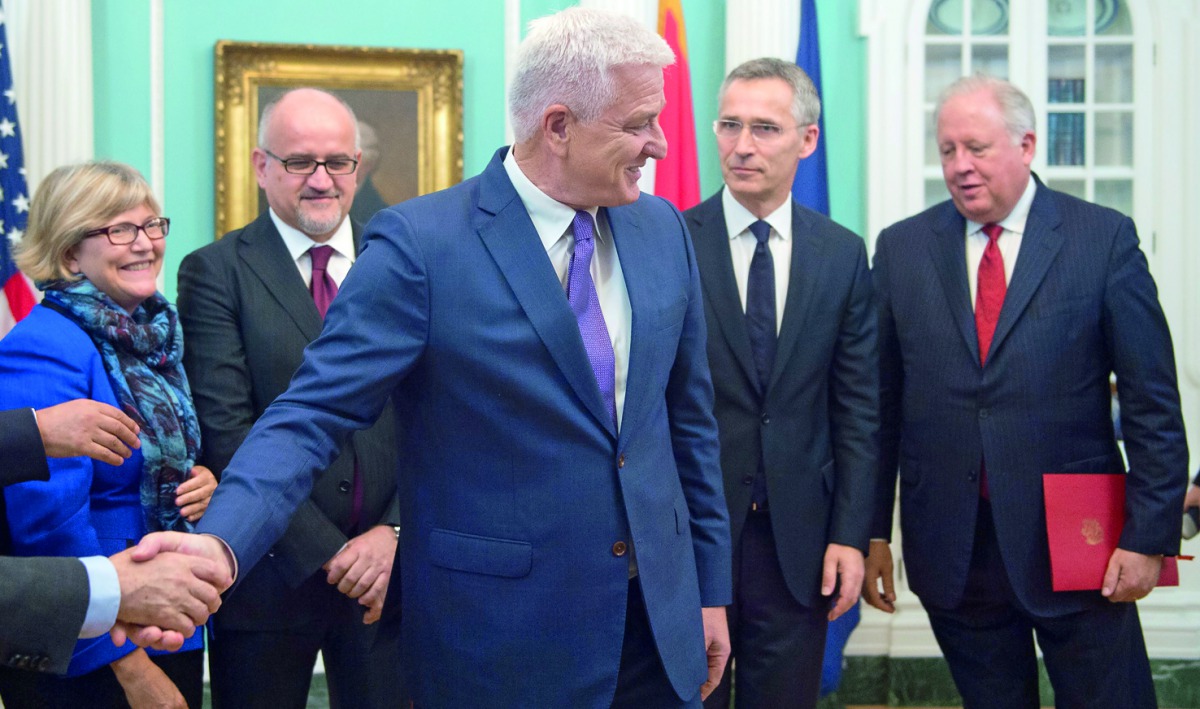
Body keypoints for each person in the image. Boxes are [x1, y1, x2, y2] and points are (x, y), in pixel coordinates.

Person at [138, 7, 732, 707]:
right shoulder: (423, 246)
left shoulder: (660, 228)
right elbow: (309, 415)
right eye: (638, 123)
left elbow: (687, 423)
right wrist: (222, 544)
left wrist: (708, 588)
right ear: (559, 125)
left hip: (657, 629)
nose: (661, 143)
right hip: (500, 641)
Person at [864, 75, 1187, 709]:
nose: (960, 166)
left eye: (977, 148)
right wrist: (874, 530)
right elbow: (880, 408)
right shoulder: (902, 249)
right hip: (956, 547)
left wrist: (1149, 536)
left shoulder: (1102, 239)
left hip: (1081, 542)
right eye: (948, 149)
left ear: (1027, 145)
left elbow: (1153, 403)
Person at [176, 87, 402, 708]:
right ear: (261, 166)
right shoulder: (215, 271)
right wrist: (332, 556)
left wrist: (393, 532)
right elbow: (227, 429)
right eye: (301, 162)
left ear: (358, 166)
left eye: (338, 162)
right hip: (268, 578)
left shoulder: (405, 263)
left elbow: (438, 415)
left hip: (389, 580)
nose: (322, 180)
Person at [684, 57, 877, 709]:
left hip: (799, 539)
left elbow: (858, 410)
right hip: (693, 532)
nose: (741, 146)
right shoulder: (671, 242)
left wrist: (852, 533)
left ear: (807, 139)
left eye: (764, 127)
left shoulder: (843, 254)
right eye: (729, 125)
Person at [0, 162, 219, 708]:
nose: (144, 244)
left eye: (152, 226)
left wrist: (201, 483)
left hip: (168, 615)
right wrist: (127, 665)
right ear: (71, 253)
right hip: (97, 641)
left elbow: (162, 459)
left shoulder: (153, 336)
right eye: (120, 230)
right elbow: (46, 525)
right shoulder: (47, 343)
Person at [1, 403, 228, 675]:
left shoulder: (168, 365)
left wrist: (201, 480)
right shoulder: (62, 366)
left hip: (170, 604)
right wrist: (111, 593)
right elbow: (46, 503)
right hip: (87, 629)